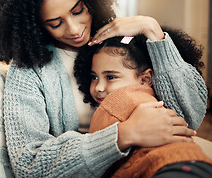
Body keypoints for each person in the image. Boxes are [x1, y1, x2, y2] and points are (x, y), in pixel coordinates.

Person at [0, 0, 206, 177]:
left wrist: (153, 32)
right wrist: (124, 135)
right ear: (34, 26)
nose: (74, 29)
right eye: (55, 23)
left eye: (78, 10)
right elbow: (29, 164)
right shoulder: (30, 72)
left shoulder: (124, 41)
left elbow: (188, 117)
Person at [74, 30, 212, 177]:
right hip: (195, 161)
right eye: (94, 77)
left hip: (163, 169)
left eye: (111, 77)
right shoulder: (156, 100)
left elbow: (97, 163)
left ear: (145, 79)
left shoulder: (112, 105)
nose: (99, 87)